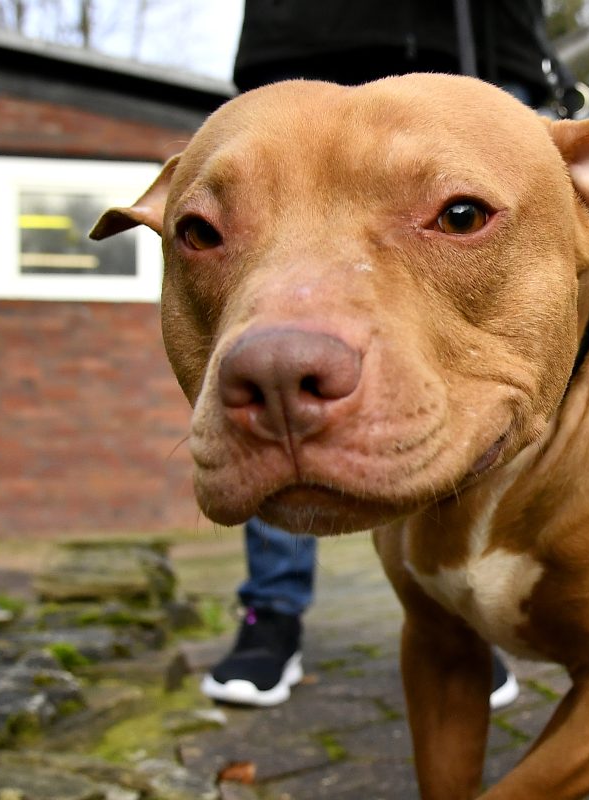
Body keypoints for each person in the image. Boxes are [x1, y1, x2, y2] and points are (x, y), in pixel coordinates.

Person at [201, 0, 565, 709]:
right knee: (281, 328)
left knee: (464, 375)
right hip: (301, 49)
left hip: (479, 52)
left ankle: (467, 612)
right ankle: (271, 609)